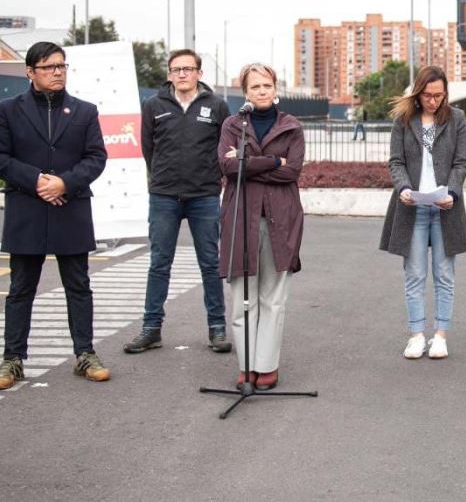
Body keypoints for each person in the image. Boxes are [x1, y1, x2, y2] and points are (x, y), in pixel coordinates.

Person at [0, 41, 109, 389]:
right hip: (27, 209)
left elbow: (96, 157)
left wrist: (65, 183)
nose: (58, 72)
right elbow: (1, 158)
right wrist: (37, 182)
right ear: (31, 72)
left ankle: (85, 354)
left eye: (62, 66)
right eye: (49, 67)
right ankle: (12, 359)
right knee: (21, 288)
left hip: (71, 208)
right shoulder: (8, 110)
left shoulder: (84, 111)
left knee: (79, 285)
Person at [123, 49, 232, 354]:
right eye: (176, 69)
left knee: (211, 264)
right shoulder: (154, 105)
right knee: (159, 264)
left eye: (188, 68)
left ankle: (217, 328)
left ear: (199, 73)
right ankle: (151, 328)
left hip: (204, 196)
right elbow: (148, 148)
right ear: (169, 74)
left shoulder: (217, 106)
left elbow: (224, 148)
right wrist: (162, 176)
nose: (182, 74)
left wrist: (212, 179)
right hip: (164, 196)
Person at [218, 63, 304, 391]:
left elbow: (292, 171)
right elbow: (226, 166)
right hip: (240, 217)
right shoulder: (232, 124)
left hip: (281, 220)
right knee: (242, 295)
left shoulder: (291, 127)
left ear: (275, 87)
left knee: (273, 297)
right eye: (255, 87)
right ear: (246, 92)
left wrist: (247, 165)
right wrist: (272, 161)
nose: (262, 91)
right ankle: (246, 365)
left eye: (266, 85)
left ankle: (266, 366)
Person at [379, 65, 466, 360]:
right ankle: (417, 335)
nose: (434, 101)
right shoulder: (404, 120)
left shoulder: (456, 119)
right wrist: (404, 188)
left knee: (444, 274)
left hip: (446, 207)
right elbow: (396, 162)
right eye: (429, 95)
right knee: (415, 274)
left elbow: (461, 163)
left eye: (440, 96)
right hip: (412, 208)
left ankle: (440, 335)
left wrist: (453, 192)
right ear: (418, 94)